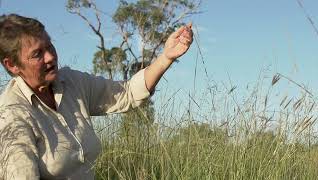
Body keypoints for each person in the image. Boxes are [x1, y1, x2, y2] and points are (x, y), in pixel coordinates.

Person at [0, 13, 193, 179]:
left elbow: (127, 93)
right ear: (11, 65)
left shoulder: (72, 82)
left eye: (50, 47)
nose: (50, 57)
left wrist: (166, 57)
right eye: (37, 54)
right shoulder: (11, 116)